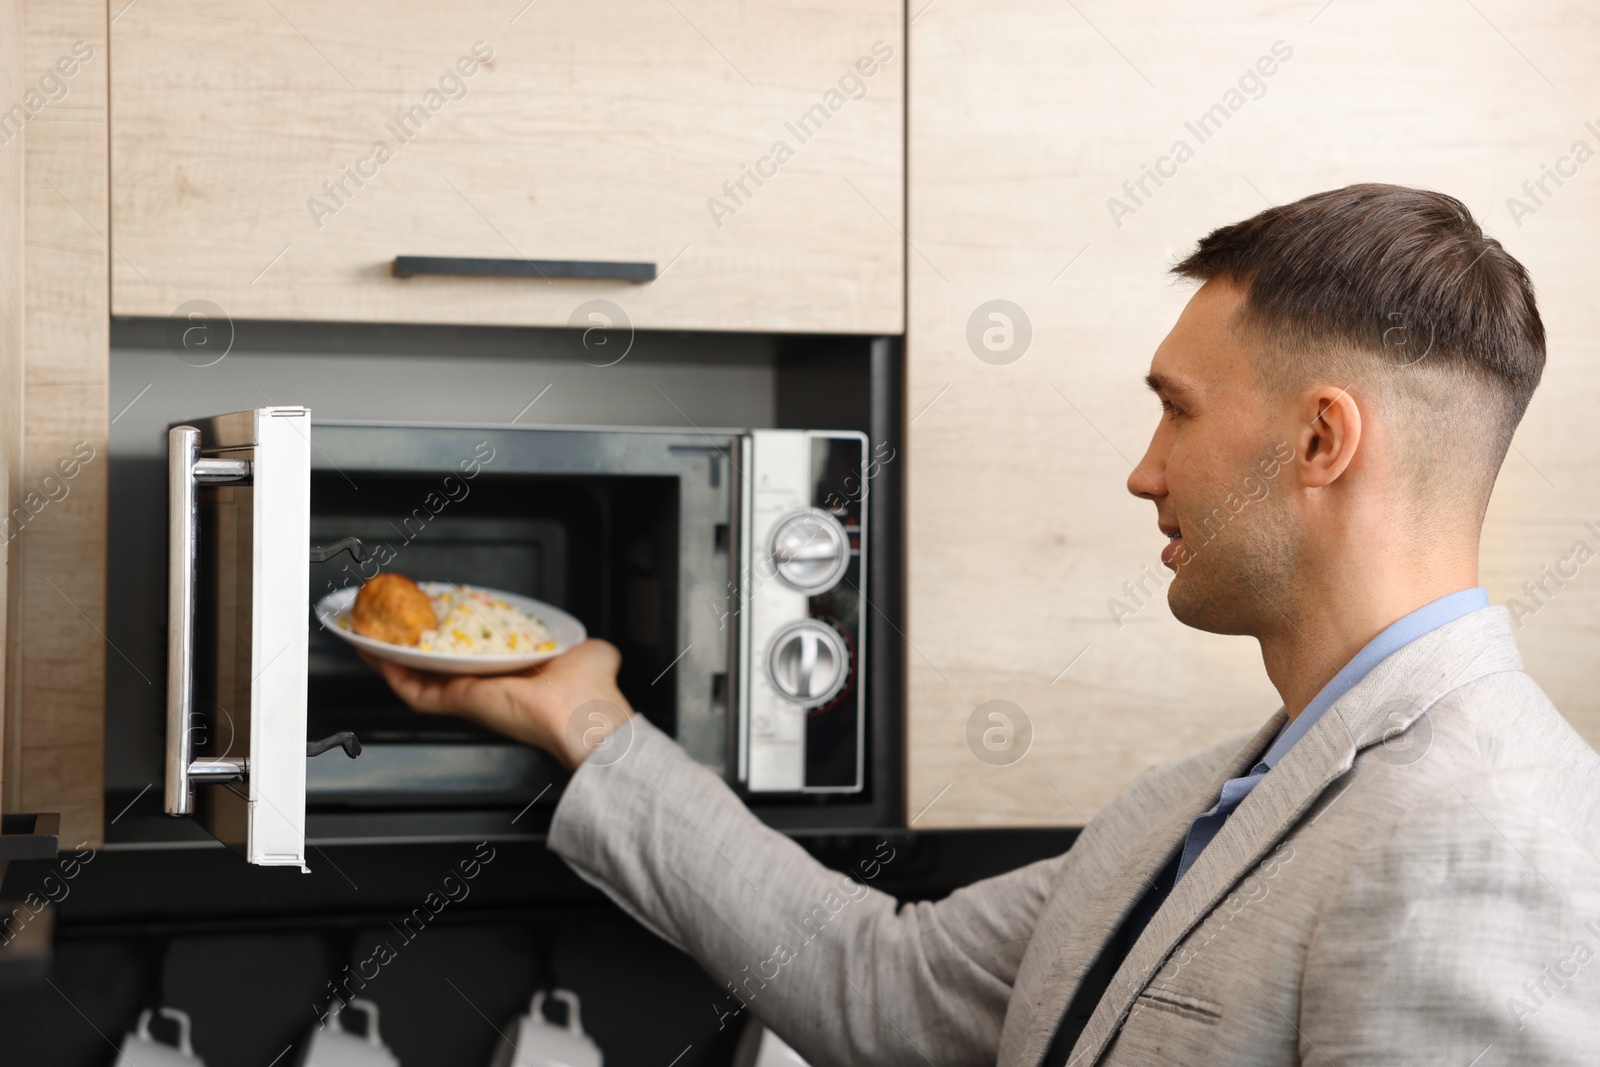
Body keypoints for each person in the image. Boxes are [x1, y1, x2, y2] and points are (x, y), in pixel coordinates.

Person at [368, 184, 1600, 1065]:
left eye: (1176, 411)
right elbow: (882, 983)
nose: (1143, 470)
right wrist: (586, 717)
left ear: (1321, 438)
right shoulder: (1197, 802)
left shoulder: (1492, 840)